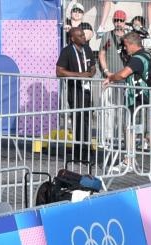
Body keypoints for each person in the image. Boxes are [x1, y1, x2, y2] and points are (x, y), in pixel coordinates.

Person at [103, 31, 151, 175]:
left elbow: (123, 74)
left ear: (130, 44)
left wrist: (111, 77)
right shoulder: (147, 55)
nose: (124, 49)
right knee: (130, 130)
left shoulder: (137, 58)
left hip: (139, 100)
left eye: (125, 46)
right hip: (143, 100)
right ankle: (129, 160)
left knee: (147, 133)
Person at [56, 27, 97, 162]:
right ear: (73, 39)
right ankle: (78, 152)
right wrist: (79, 75)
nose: (83, 37)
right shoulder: (67, 51)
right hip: (74, 90)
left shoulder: (87, 49)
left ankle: (87, 150)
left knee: (87, 118)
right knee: (78, 119)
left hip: (86, 90)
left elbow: (92, 66)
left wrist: (90, 73)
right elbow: (59, 71)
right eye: (80, 36)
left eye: (83, 35)